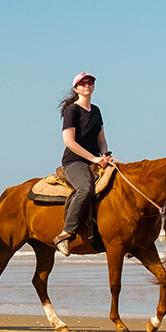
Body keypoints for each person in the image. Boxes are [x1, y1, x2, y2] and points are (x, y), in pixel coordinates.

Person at [54, 72, 114, 250]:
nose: (87, 85)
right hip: (75, 161)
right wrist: (94, 158)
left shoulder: (96, 110)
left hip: (96, 159)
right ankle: (66, 233)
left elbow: (101, 139)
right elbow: (69, 142)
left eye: (90, 82)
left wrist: (104, 155)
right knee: (85, 188)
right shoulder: (72, 110)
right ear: (76, 88)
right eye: (82, 83)